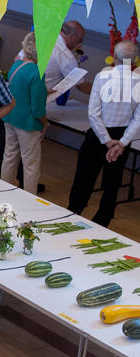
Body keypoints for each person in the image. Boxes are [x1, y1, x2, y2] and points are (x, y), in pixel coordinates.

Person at [68, 40, 140, 226]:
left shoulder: (103, 76)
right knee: (112, 182)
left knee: (84, 177)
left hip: (99, 135)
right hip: (123, 136)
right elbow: (138, 119)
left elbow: (93, 113)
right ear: (135, 61)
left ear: (114, 58)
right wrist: (121, 143)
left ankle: (73, 212)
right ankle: (103, 220)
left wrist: (107, 141)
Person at [2, 32, 47, 191]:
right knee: (31, 164)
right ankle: (29, 198)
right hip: (28, 123)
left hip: (10, 117)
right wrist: (45, 123)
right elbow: (37, 109)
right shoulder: (37, 72)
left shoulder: (16, 64)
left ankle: (4, 190)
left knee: (9, 157)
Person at [44, 20, 90, 102]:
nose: (80, 43)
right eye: (80, 40)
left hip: (16, 91)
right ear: (73, 38)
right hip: (34, 101)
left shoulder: (44, 38)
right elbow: (81, 86)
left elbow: (17, 59)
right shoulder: (65, 56)